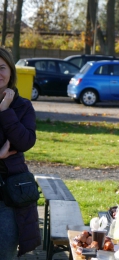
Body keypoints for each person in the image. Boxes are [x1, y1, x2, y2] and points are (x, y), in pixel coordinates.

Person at [0, 47, 41, 259]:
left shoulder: (22, 106)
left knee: (4, 252)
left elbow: (24, 141)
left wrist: (6, 110)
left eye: (1, 67)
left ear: (10, 72)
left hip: (9, 196)